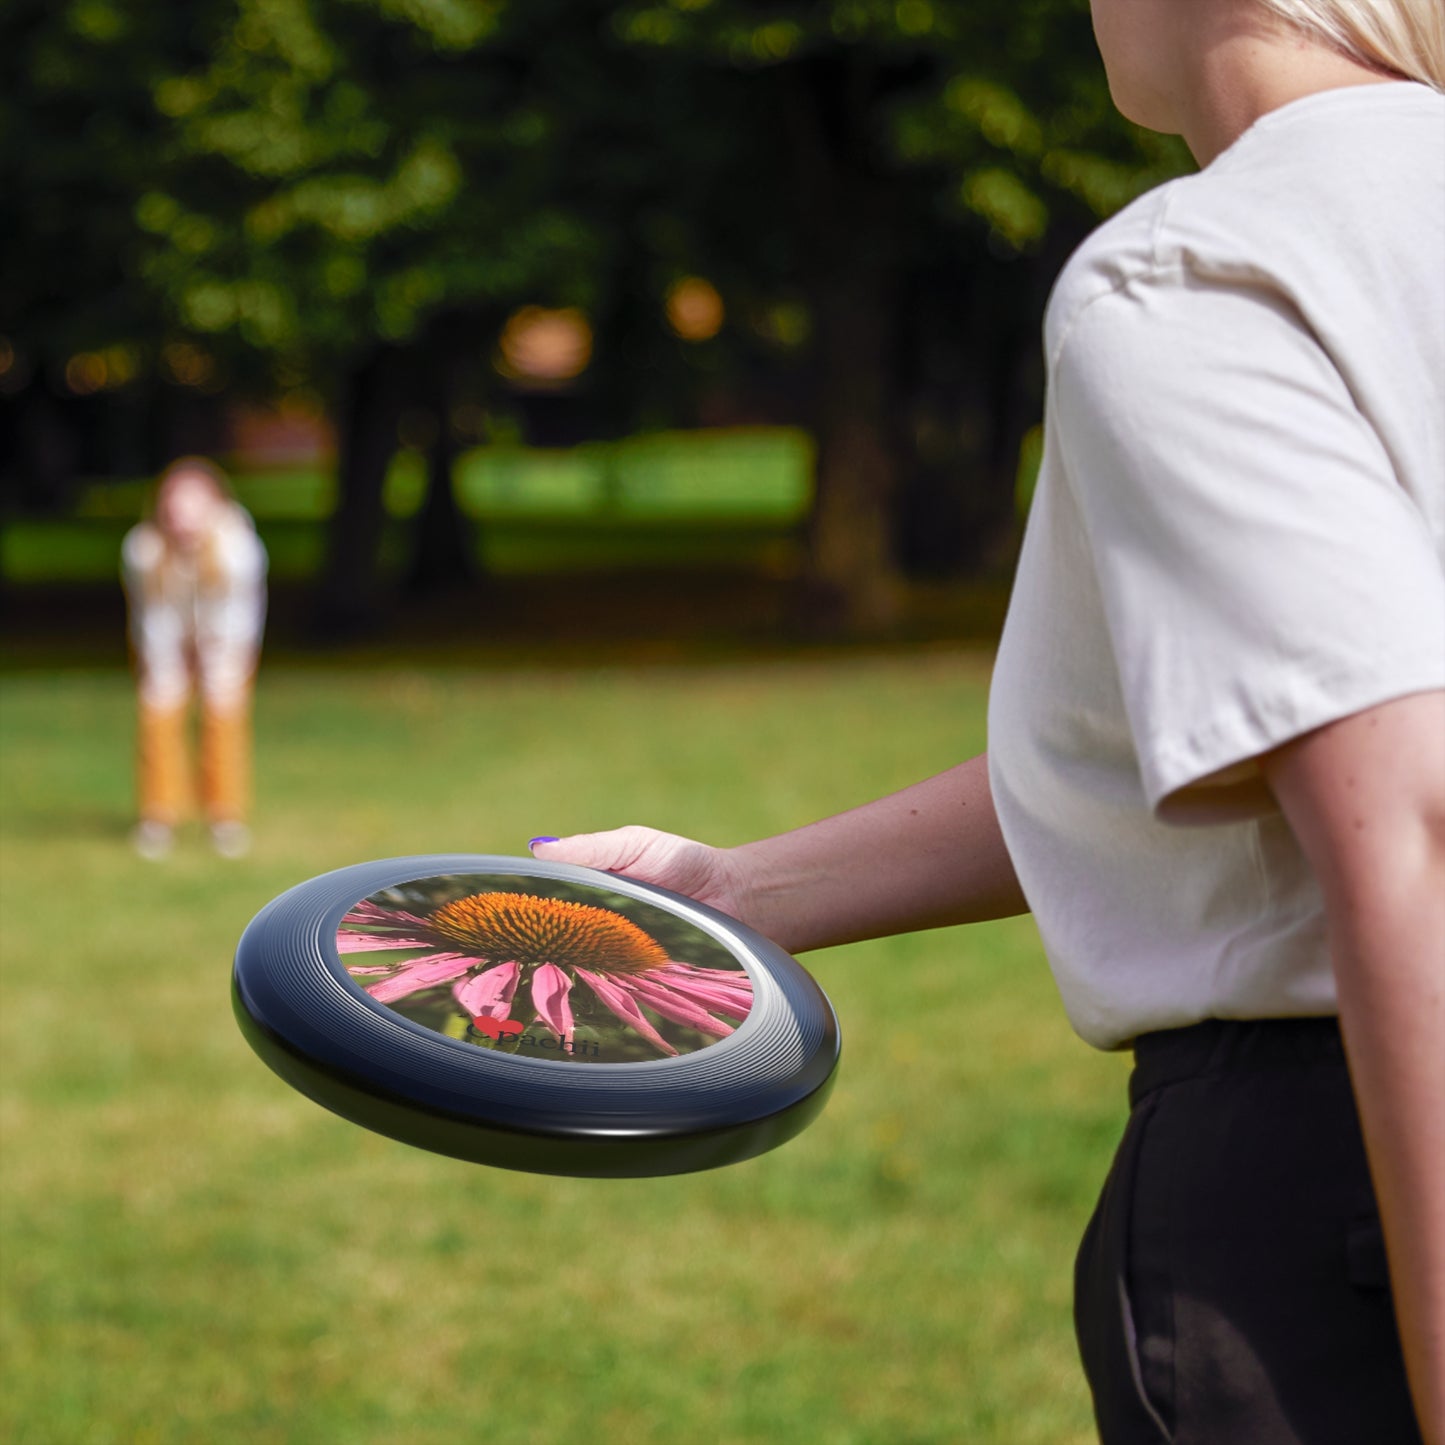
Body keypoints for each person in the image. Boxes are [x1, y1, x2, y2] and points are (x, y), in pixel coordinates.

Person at [528, 2, 1445, 1441]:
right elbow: (1224, 740)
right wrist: (736, 892)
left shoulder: (1203, 270)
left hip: (1342, 1192)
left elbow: (1409, 821)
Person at [121, 457, 268, 859]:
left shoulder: (239, 548)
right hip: (165, 640)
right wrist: (168, 664)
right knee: (158, 712)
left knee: (223, 717)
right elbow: (152, 615)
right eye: (174, 506)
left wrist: (214, 658)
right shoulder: (143, 549)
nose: (182, 517)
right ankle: (158, 816)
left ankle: (225, 817)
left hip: (226, 641)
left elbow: (239, 615)